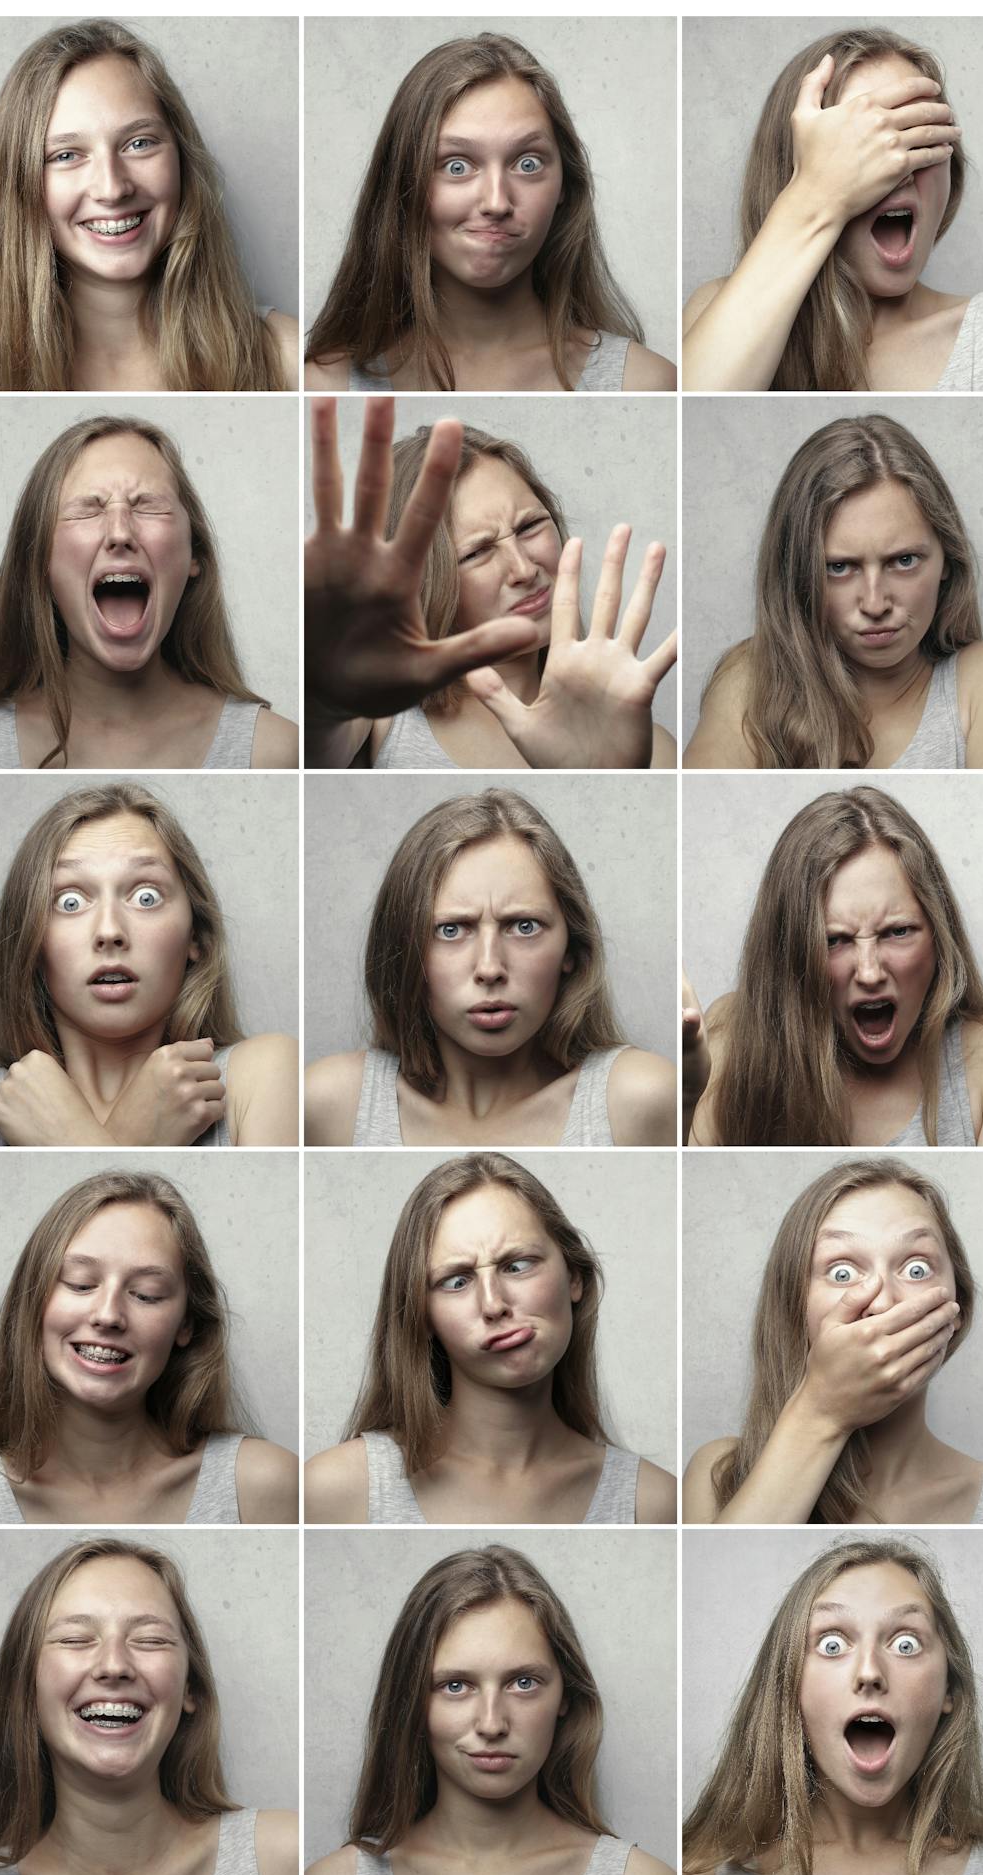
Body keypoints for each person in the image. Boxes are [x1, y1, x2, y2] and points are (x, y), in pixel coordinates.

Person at [307, 1154, 676, 1524]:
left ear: (574, 1277)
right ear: (422, 1316)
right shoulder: (337, 1489)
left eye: (516, 1266)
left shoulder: (652, 1502)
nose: (493, 1304)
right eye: (456, 1281)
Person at [0, 18, 295, 391]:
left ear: (182, 159)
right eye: (67, 155)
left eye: (139, 143)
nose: (112, 188)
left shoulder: (287, 358)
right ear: (17, 184)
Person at [682, 1536, 983, 1875]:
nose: (870, 1671)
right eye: (832, 1645)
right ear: (787, 1688)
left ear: (948, 1692)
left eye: (906, 1644)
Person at [0, 783, 298, 1148]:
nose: (109, 931)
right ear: (31, 942)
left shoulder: (262, 1074)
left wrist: (69, 1140)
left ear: (195, 937)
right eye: (69, 902)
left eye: (146, 897)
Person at [682, 29, 983, 393]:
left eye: (919, 135)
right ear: (794, 169)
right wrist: (813, 199)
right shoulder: (715, 310)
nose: (897, 167)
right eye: (864, 144)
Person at [684, 1159, 983, 1525]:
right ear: (793, 1308)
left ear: (956, 1314)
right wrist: (820, 1412)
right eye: (842, 1272)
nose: (883, 1301)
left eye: (916, 1269)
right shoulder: (718, 1476)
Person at [0, 1538, 297, 1875]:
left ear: (190, 1689)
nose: (114, 1665)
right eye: (75, 1639)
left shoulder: (282, 1863)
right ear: (27, 1689)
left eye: (150, 1640)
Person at [684, 787, 983, 1146]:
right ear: (788, 952)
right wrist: (688, 1099)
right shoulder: (736, 1037)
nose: (870, 972)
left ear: (940, 938)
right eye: (834, 940)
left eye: (897, 932)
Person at [305, 789, 675, 1147]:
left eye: (523, 926)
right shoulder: (332, 1103)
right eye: (451, 930)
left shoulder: (637, 1098)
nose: (489, 967)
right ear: (404, 951)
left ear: (571, 949)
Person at [306, 33, 675, 392]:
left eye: (527, 164)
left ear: (565, 185)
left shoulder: (644, 382)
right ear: (403, 185)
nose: (496, 203)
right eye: (456, 166)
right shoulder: (323, 383)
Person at [305, 1545, 676, 1875]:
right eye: (455, 1686)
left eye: (523, 1683)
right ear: (411, 1700)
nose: (492, 1723)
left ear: (566, 1695)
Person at [307, 412, 676, 770]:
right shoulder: (383, 715)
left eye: (530, 525)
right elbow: (314, 753)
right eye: (478, 552)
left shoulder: (654, 752)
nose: (524, 569)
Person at [0, 415, 297, 770]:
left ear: (194, 554)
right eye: (88, 510)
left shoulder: (274, 752)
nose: (120, 533)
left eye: (148, 506)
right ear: (40, 561)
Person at [0, 1170, 296, 1524]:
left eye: (145, 1295)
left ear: (186, 1323)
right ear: (32, 1303)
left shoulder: (263, 1485)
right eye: (81, 1284)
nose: (108, 1315)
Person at [685, 415, 983, 768]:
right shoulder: (753, 680)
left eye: (904, 560)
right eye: (839, 567)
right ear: (798, 573)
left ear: (947, 561)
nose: (875, 604)